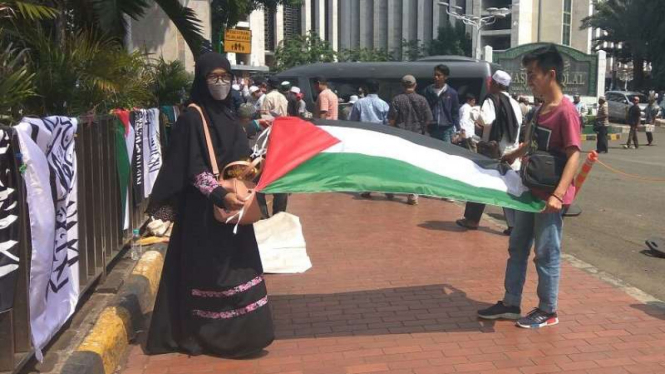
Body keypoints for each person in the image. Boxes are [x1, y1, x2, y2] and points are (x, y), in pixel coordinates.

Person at [145, 52, 274, 357]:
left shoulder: (227, 113)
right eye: (213, 77)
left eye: (225, 76)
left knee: (239, 269)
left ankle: (245, 336)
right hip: (204, 216)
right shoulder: (193, 116)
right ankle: (210, 337)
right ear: (201, 80)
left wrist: (255, 169)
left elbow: (234, 156)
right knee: (211, 274)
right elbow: (192, 167)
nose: (221, 83)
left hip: (233, 214)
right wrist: (220, 195)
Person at [477, 44, 581, 329]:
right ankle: (511, 303)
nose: (529, 80)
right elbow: (532, 143)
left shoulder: (566, 112)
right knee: (517, 247)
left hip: (549, 197)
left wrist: (558, 195)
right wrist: (513, 155)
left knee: (547, 254)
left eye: (532, 74)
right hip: (528, 190)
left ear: (550, 74)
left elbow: (574, 155)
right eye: (527, 74)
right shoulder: (539, 110)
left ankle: (548, 310)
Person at [455, 70, 522, 234]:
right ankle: (513, 225)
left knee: (479, 184)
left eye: (491, 82)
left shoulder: (492, 100)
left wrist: (474, 111)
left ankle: (471, 219)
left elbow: (485, 119)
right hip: (511, 152)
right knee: (509, 187)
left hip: (492, 150)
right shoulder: (515, 103)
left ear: (495, 84)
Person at [384, 75, 434, 205]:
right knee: (414, 165)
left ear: (402, 85)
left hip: (400, 136)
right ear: (415, 85)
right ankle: (412, 194)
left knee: (397, 164)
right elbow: (429, 118)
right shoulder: (422, 100)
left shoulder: (396, 100)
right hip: (417, 137)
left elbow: (391, 120)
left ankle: (391, 189)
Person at [424, 64, 460, 143]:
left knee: (446, 152)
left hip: (446, 130)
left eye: (439, 75)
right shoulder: (428, 91)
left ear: (445, 77)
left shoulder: (452, 93)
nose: (436, 77)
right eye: (435, 75)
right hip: (431, 130)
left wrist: (458, 130)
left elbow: (455, 113)